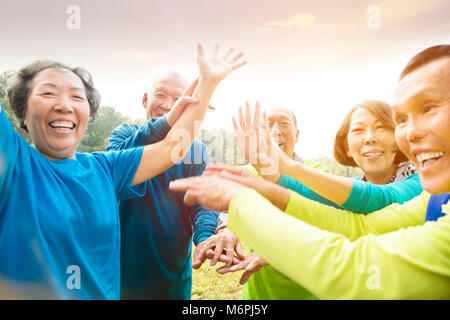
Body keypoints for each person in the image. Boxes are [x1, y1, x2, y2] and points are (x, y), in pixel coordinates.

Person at [170, 45, 450, 299]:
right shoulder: (436, 197)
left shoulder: (421, 187)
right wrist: (263, 184)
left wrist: (246, 197)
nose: (411, 132)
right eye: (402, 119)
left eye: (429, 108)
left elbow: (354, 265)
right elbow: (359, 226)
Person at [0, 44, 246, 299]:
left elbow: (176, 147)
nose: (64, 105)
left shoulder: (105, 169)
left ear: (88, 112)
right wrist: (171, 117)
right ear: (21, 110)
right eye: (48, 93)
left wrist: (208, 84)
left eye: (76, 96)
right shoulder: (14, 164)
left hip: (170, 279)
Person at [106, 71, 240, 299]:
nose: (168, 105)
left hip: (172, 279)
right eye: (160, 95)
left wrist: (207, 235)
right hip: (118, 278)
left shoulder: (196, 151)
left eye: (179, 99)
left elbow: (201, 202)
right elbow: (117, 167)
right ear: (145, 100)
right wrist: (165, 126)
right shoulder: (124, 135)